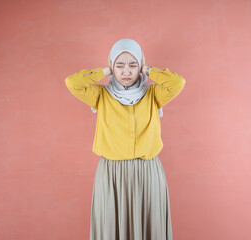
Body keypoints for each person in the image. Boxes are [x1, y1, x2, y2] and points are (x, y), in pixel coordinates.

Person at [64, 38, 185, 240]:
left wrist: (148, 70)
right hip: (111, 174)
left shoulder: (153, 93)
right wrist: (105, 71)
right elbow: (72, 83)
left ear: (140, 66)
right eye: (119, 65)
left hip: (147, 173)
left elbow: (177, 82)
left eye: (133, 65)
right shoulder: (101, 95)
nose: (126, 71)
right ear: (112, 66)